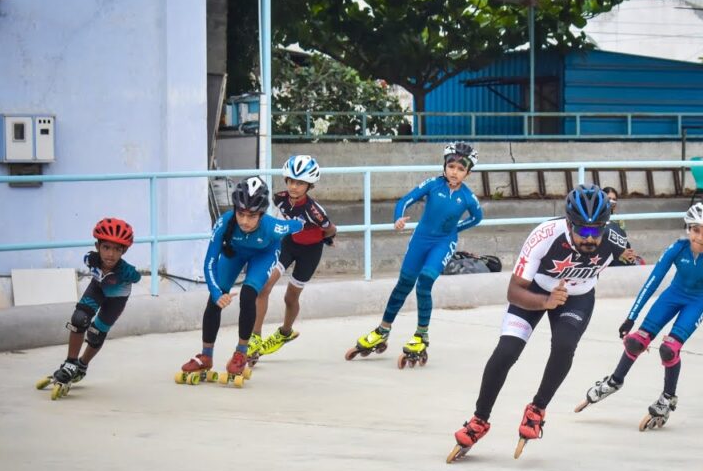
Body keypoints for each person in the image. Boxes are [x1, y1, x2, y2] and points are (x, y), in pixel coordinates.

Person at [446, 184, 627, 462]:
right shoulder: (544, 236)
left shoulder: (615, 239)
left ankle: (536, 410)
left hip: (577, 296)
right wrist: (545, 302)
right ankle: (479, 419)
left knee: (565, 346)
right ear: (569, 224)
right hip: (535, 292)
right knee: (506, 352)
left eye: (597, 230)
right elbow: (513, 291)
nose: (590, 238)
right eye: (583, 231)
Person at [575, 202, 703, 432]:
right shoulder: (677, 249)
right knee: (635, 341)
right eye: (695, 230)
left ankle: (668, 398)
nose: (700, 237)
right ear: (688, 228)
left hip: (698, 300)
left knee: (669, 348)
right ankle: (614, 381)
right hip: (674, 294)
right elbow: (652, 283)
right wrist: (631, 318)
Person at [346, 142, 483, 368]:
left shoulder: (468, 197)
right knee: (404, 284)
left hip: (443, 242)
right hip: (421, 239)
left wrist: (455, 230)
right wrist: (398, 218)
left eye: (460, 169)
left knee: (425, 282)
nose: (454, 172)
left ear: (468, 173)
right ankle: (383, 329)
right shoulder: (433, 184)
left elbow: (477, 218)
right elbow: (405, 200)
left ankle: (421, 335)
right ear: (444, 166)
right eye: (451, 166)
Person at [177, 177, 304, 387]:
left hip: (263, 255)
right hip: (235, 253)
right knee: (213, 300)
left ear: (261, 214)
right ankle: (206, 355)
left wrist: (306, 223)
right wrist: (218, 293)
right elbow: (209, 262)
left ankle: (241, 353)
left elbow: (296, 225)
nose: (245, 221)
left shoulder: (273, 227)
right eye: (241, 214)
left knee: (248, 295)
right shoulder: (224, 222)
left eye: (252, 216)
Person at [36, 218, 141, 399]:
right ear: (97, 246)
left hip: (116, 298)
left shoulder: (126, 270)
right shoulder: (91, 258)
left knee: (96, 333)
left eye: (118, 249)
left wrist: (131, 275)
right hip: (98, 288)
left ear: (124, 251)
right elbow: (89, 261)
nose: (111, 254)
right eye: (106, 247)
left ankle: (82, 366)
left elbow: (137, 277)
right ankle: (70, 363)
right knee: (79, 318)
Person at [249, 155, 337, 362]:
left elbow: (331, 229)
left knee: (290, 298)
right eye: (290, 181)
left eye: (300, 183)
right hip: (288, 245)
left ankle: (285, 332)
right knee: (263, 287)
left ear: (309, 185)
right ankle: (254, 338)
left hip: (310, 252)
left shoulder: (315, 212)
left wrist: (327, 239)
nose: (294, 187)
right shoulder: (279, 198)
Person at [602, 186, 642, 266]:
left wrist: (630, 253)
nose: (612, 201)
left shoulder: (619, 219)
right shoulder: (597, 219)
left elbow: (623, 241)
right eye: (609, 198)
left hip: (621, 255)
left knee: (639, 262)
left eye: (614, 199)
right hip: (605, 256)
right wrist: (619, 252)